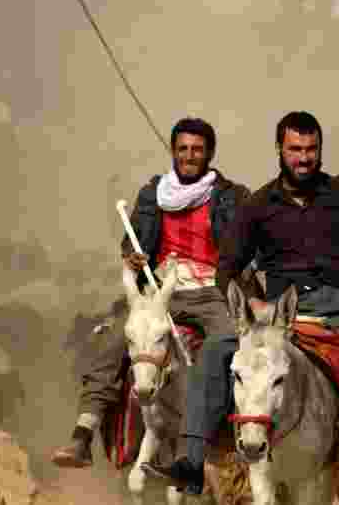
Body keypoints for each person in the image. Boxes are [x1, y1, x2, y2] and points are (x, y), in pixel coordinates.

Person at [146, 111, 339, 496]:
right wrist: (254, 303)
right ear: (280, 149)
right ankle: (191, 460)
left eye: (311, 149)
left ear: (320, 150)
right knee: (213, 352)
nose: (303, 158)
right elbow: (226, 269)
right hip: (279, 316)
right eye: (295, 149)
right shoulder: (258, 205)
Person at [50, 117, 250, 468]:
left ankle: (224, 434)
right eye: (183, 149)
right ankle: (83, 434)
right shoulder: (153, 194)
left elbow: (246, 244)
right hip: (160, 291)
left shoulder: (232, 196)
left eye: (197, 150)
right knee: (113, 338)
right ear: (173, 152)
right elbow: (133, 240)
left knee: (230, 347)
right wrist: (132, 253)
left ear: (210, 154)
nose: (189, 156)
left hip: (211, 291)